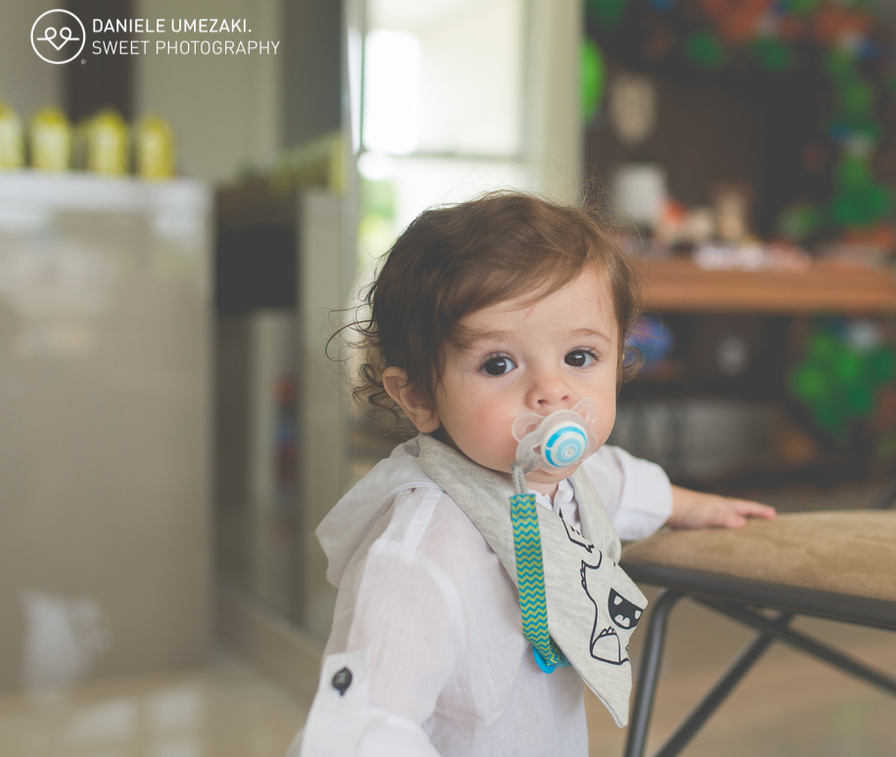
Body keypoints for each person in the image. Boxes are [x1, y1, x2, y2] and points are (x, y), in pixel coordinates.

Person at [289, 192, 774, 757]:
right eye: (499, 364)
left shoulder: (562, 478)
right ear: (419, 396)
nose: (553, 390)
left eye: (580, 357)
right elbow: (364, 727)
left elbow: (614, 480)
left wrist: (687, 505)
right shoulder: (420, 554)